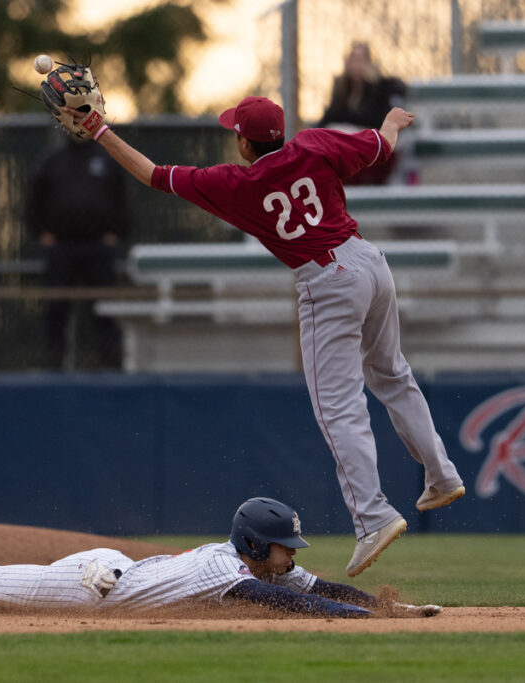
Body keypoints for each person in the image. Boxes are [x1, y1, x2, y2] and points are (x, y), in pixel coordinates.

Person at [65, 95, 464, 577]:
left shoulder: (237, 183)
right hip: (370, 262)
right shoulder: (313, 145)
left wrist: (100, 130)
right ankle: (441, 474)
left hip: (327, 280)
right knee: (393, 375)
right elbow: (381, 146)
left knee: (338, 406)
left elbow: (151, 173)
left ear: (242, 142)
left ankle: (374, 516)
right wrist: (392, 121)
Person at [0, 495, 442, 617]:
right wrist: (362, 623)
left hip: (117, 573)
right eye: (285, 546)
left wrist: (394, 610)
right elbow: (284, 601)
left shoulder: (251, 559)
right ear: (257, 546)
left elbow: (315, 587)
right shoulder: (238, 573)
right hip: (92, 587)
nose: (292, 556)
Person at [26, 134, 131, 369]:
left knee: (105, 307)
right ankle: (53, 363)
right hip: (61, 247)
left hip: (98, 248)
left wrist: (116, 232)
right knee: (56, 307)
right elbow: (34, 200)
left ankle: (111, 363)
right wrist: (42, 232)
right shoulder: (52, 160)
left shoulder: (107, 159)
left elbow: (123, 199)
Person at [318, 42, 408, 185]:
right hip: (350, 148)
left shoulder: (381, 87)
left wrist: (370, 85)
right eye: (353, 59)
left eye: (362, 59)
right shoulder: (342, 87)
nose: (357, 65)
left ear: (370, 63)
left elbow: (377, 119)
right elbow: (329, 118)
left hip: (371, 146)